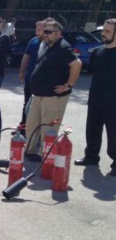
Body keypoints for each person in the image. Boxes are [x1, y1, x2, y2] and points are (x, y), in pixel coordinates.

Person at [25, 20, 82, 161]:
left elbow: (77, 64)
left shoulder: (63, 47)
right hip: (39, 94)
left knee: (48, 128)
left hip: (53, 97)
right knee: (32, 124)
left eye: (48, 32)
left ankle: (45, 155)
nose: (45, 34)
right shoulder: (48, 45)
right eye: (44, 31)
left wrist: (68, 85)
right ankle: (29, 150)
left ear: (58, 33)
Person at [74, 19, 116, 176]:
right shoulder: (98, 52)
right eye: (103, 31)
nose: (103, 34)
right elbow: (92, 73)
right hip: (96, 98)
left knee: (114, 133)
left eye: (107, 31)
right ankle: (91, 156)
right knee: (92, 130)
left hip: (114, 102)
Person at [17, 20, 46, 132]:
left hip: (42, 81)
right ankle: (24, 126)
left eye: (39, 30)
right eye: (36, 30)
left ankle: (37, 131)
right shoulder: (33, 41)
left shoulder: (50, 44)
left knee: (40, 107)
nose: (36, 32)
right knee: (27, 103)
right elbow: (26, 56)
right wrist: (21, 71)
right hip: (30, 79)